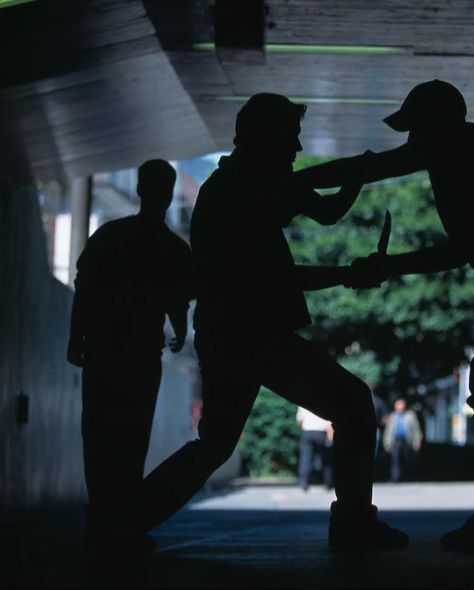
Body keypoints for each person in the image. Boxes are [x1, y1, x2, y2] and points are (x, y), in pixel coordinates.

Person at [294, 79, 474, 553]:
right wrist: (298, 182)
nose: (410, 142)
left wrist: (391, 263)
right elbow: (375, 167)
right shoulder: (462, 153)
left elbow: (462, 247)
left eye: (416, 130)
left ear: (438, 127)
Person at [136, 93, 408, 552]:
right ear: (265, 141)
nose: (297, 151)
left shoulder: (239, 190)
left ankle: (123, 522)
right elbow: (283, 272)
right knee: (354, 404)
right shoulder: (243, 197)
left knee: (215, 443)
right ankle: (353, 523)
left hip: (230, 333)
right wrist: (347, 270)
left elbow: (322, 211)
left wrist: (352, 182)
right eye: (290, 141)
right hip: (252, 334)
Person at [66, 159, 192, 560]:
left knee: (98, 437)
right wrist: (178, 328)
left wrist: (75, 336)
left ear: (138, 189)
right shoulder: (173, 248)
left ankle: (100, 523)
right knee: (131, 438)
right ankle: (122, 525)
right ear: (168, 193)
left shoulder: (109, 236)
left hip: (104, 352)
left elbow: (85, 288)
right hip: (141, 355)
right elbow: (177, 296)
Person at [382, 398, 423, 482]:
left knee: (408, 459)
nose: (401, 406)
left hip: (407, 441)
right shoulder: (392, 416)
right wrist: (386, 443)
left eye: (402, 404)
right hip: (396, 441)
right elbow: (388, 431)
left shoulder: (410, 415)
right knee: (395, 459)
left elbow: (416, 429)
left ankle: (409, 476)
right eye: (399, 404)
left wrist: (417, 441)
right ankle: (395, 477)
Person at [296, 406, 333, 491]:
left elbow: (299, 420)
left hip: (307, 431)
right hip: (321, 432)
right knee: (326, 458)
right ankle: (328, 483)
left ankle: (304, 482)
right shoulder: (324, 401)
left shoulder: (303, 403)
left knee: (305, 458)